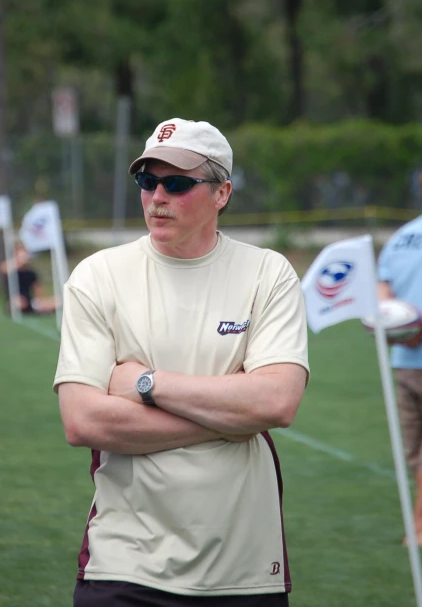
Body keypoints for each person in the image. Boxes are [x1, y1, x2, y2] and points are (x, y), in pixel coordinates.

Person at [54, 118, 309, 607]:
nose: (157, 196)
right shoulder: (98, 276)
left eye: (177, 183)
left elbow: (276, 402)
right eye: (147, 181)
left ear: (222, 193)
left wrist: (146, 383)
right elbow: (81, 419)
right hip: (123, 563)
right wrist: (232, 416)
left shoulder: (268, 273)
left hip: (244, 566)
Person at [377, 164, 422, 550]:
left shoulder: (400, 237)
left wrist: (399, 330)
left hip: (401, 360)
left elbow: (382, 290)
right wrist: (421, 328)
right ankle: (421, 528)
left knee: (417, 446)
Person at [0, 243, 58, 314]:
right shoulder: (11, 271)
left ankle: (40, 309)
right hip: (15, 301)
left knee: (56, 301)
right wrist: (18, 261)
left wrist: (39, 301)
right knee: (18, 303)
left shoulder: (31, 273)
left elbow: (38, 289)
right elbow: (3, 268)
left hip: (30, 301)